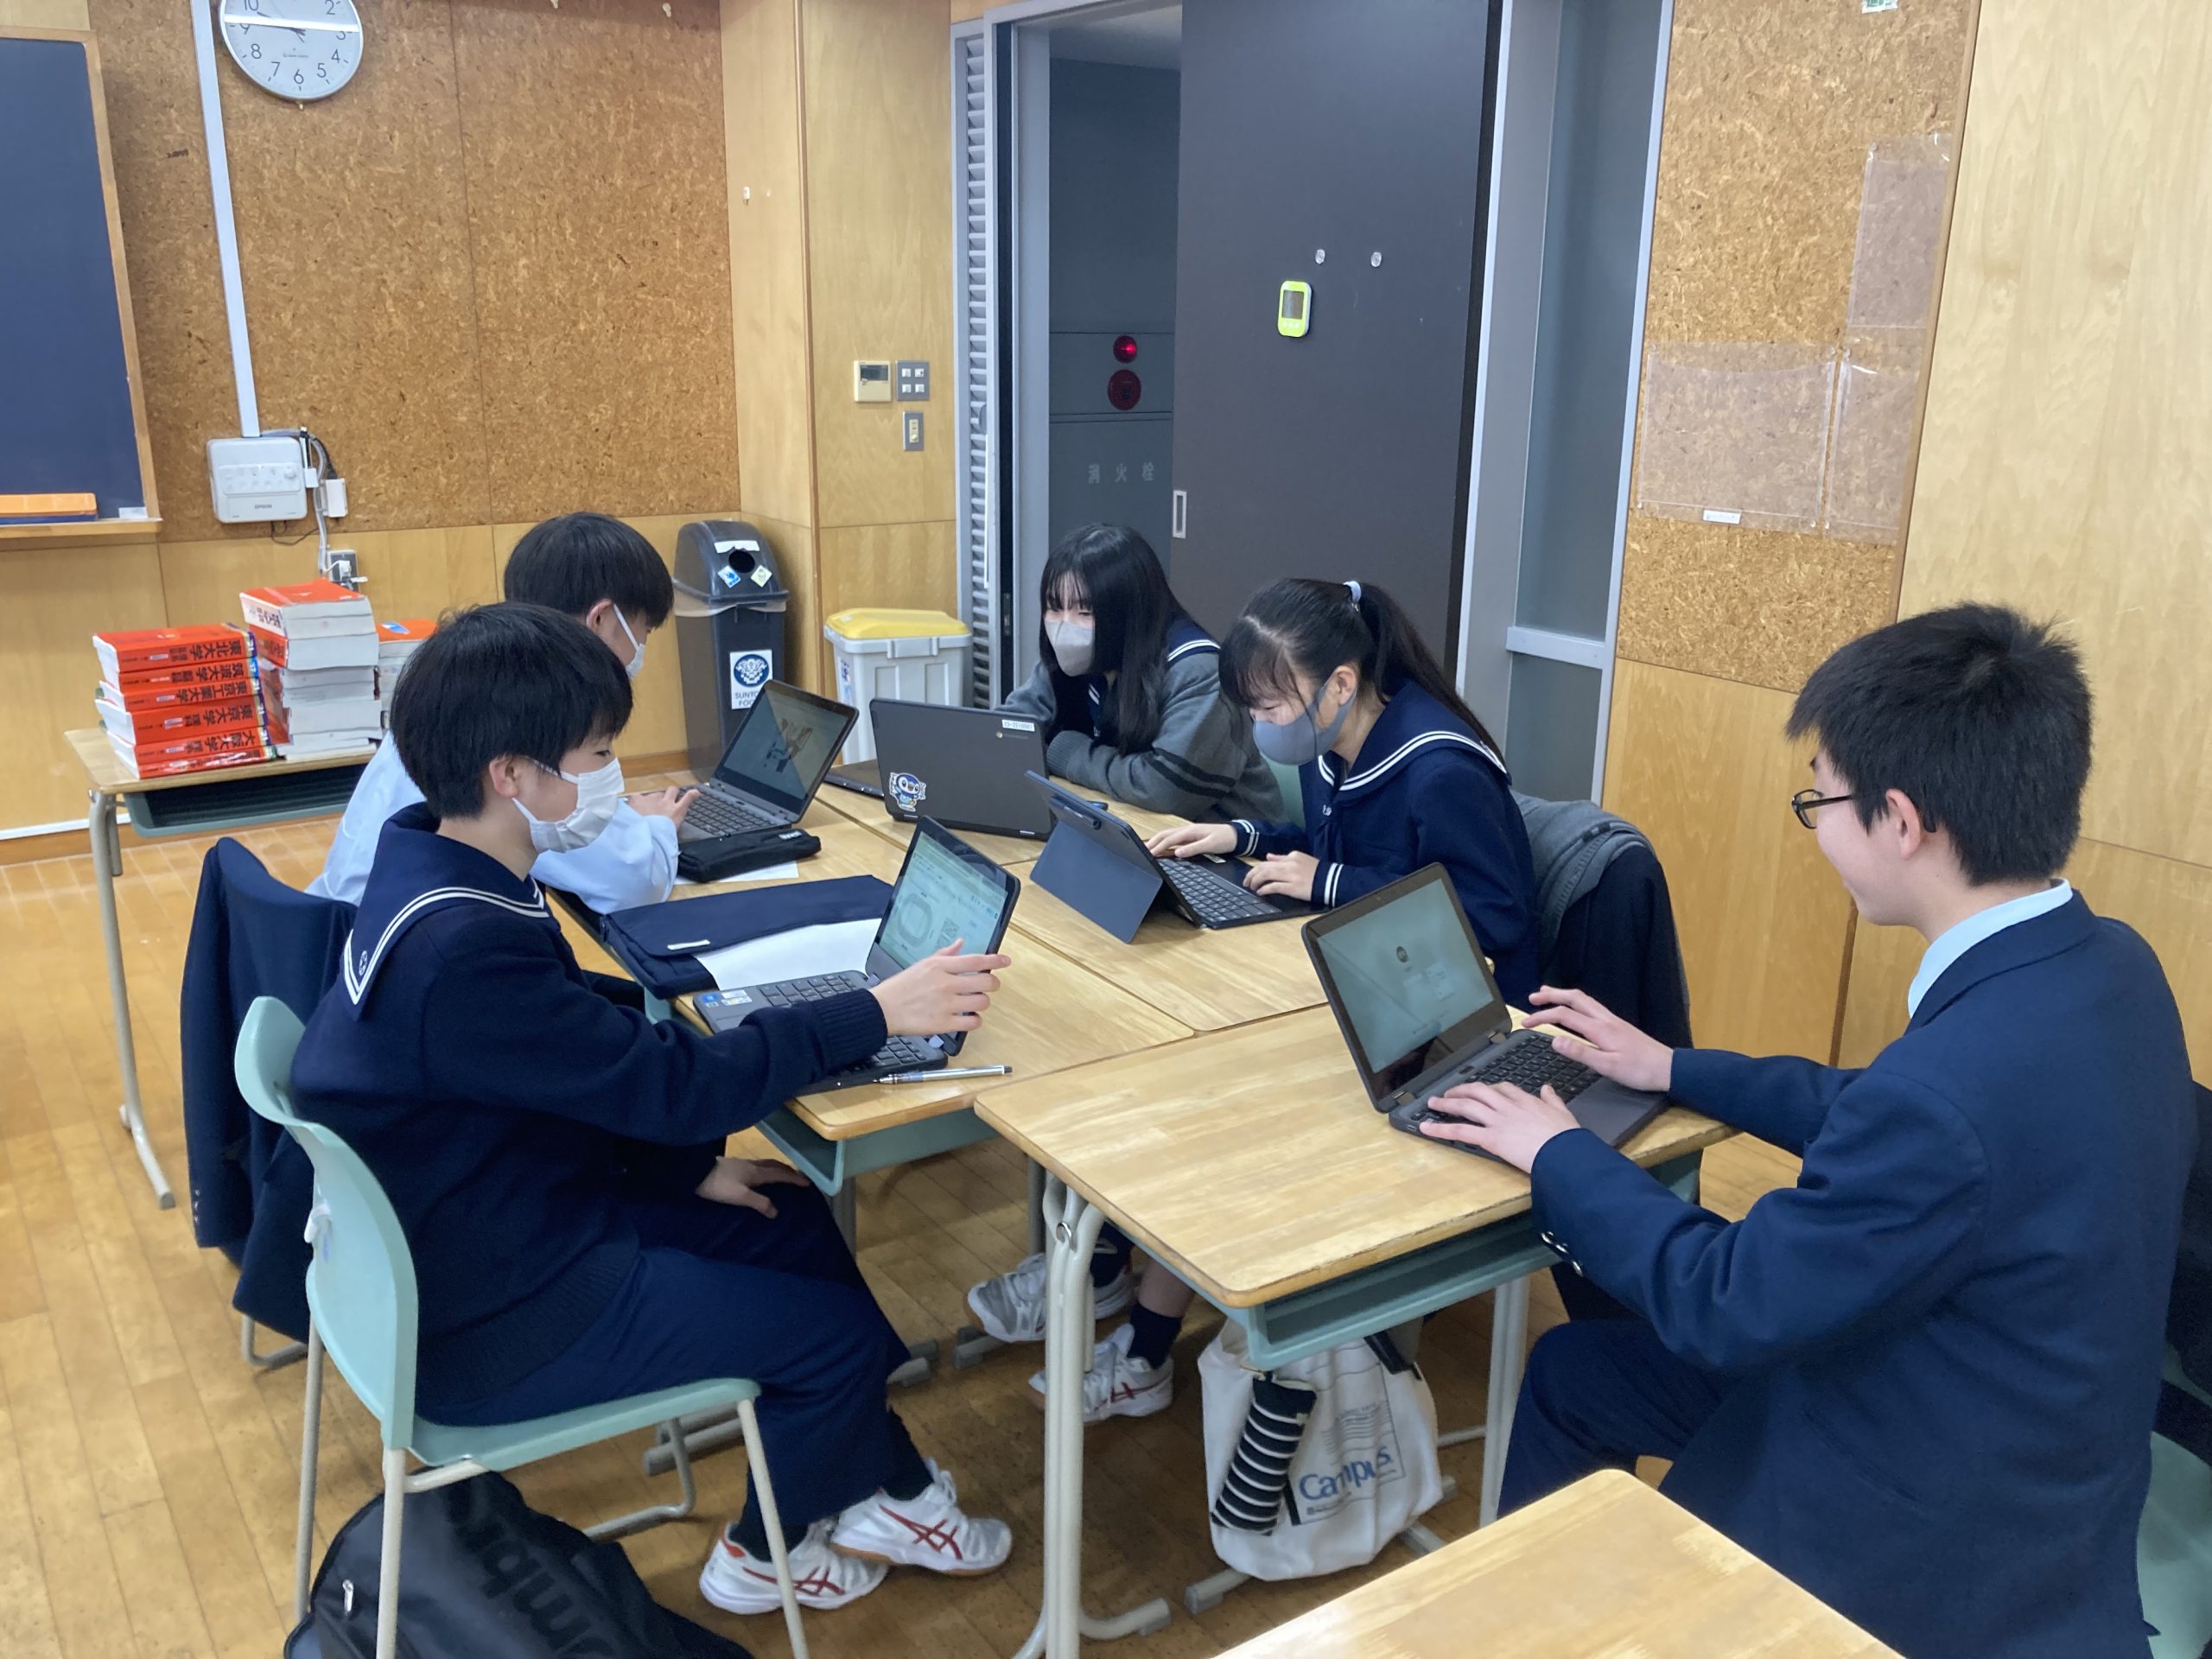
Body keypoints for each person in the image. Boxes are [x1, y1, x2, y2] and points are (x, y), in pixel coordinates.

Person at [1422, 604, 2195, 1659]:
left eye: (1820, 799)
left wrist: (1553, 1147)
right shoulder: (2111, 967)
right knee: (1575, 1373)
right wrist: (1668, 1066)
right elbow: (1873, 1112)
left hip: (1927, 1522)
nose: (1818, 828)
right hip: (2034, 1438)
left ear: (1902, 821)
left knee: (1651, 1362)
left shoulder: (1943, 1099)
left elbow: (1724, 1302)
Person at [289, 602, 1015, 1615]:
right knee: (832, 1342)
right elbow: (677, 1088)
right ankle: (763, 1555)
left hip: (485, 1222)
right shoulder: (462, 947)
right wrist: (873, 1012)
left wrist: (684, 1168)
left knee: (787, 1215)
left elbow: (567, 1070)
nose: (611, 777)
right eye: (595, 754)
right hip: (494, 1316)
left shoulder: (436, 870)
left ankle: (878, 1489)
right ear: (511, 774)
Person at [966, 576, 1540, 1422]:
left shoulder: (1439, 766)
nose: (1265, 725)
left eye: (1272, 706)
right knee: (1175, 1081)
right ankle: (1111, 1278)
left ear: (1339, 683)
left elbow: (1489, 916)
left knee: (1216, 1117)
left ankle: (1145, 1348)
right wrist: (1242, 836)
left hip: (1454, 1028)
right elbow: (1328, 843)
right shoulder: (1342, 740)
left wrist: (1328, 881)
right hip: (1367, 981)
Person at [309, 512, 695, 912]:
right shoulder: (534, 712)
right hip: (406, 930)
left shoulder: (475, 681)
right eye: (645, 631)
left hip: (363, 925)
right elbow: (630, 882)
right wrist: (658, 827)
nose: (642, 648)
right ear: (600, 619)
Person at [1002, 523, 1281, 821]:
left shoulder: (1198, 672)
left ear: (1128, 612)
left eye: (1085, 612)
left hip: (1223, 840)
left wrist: (1067, 752)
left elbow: (1164, 790)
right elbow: (1010, 731)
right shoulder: (1075, 660)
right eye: (1054, 608)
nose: (1064, 626)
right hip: (1119, 823)